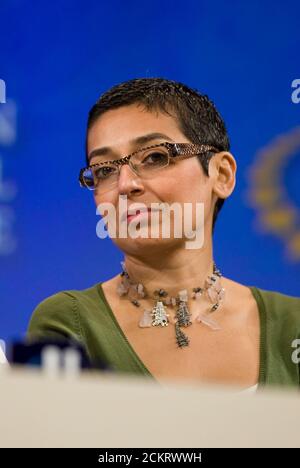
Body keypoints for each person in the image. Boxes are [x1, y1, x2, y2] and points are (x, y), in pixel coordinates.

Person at [27, 78, 300, 390]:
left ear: (221, 175)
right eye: (104, 170)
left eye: (155, 157)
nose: (125, 184)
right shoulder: (70, 324)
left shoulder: (292, 327)